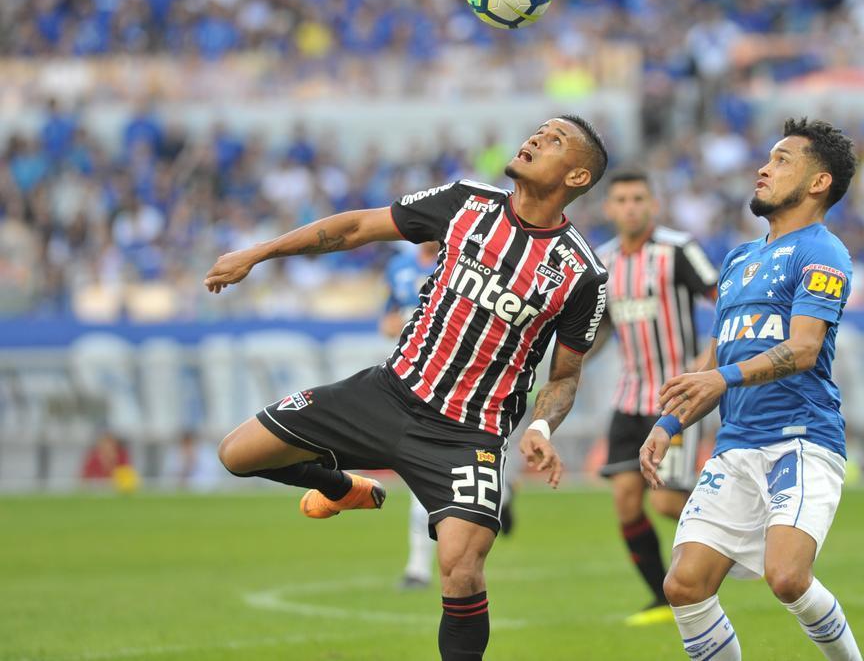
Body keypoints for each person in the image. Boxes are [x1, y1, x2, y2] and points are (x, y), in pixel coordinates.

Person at [205, 115, 610, 661]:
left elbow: (565, 376)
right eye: (539, 130)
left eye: (555, 140)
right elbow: (354, 229)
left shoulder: (582, 272)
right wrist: (258, 253)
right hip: (387, 393)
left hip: (469, 434)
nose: (536, 138)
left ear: (578, 177)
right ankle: (341, 487)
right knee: (238, 453)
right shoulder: (467, 202)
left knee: (462, 569)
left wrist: (540, 425)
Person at [640, 117, 864, 660]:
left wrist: (720, 376)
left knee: (786, 576)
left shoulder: (824, 252)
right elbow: (719, 355)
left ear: (819, 183)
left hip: (801, 438)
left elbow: (804, 347)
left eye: (783, 160)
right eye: (768, 158)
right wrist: (670, 423)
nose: (764, 168)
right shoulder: (740, 259)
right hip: (736, 445)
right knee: (684, 586)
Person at [592, 170, 719, 626]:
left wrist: (705, 367)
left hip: (675, 397)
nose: (630, 207)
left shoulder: (676, 250)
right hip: (628, 396)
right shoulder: (601, 261)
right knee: (626, 500)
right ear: (609, 208)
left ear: (654, 204)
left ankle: (743, 535)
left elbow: (723, 300)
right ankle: (660, 597)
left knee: (665, 501)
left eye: (638, 198)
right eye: (621, 199)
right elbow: (602, 327)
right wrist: (566, 365)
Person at [378, 240, 440, 589]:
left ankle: (504, 500)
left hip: (455, 382)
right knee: (420, 470)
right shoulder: (398, 267)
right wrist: (402, 322)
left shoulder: (461, 259)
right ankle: (418, 567)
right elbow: (386, 321)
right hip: (412, 383)